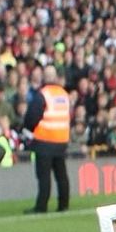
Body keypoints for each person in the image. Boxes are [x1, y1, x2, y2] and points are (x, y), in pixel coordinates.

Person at [21, 63, 71, 213]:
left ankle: (41, 205)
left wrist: (27, 130)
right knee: (61, 175)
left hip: (44, 140)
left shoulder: (42, 94)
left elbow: (32, 117)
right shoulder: (63, 94)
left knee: (44, 176)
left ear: (44, 77)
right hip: (61, 140)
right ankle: (63, 204)